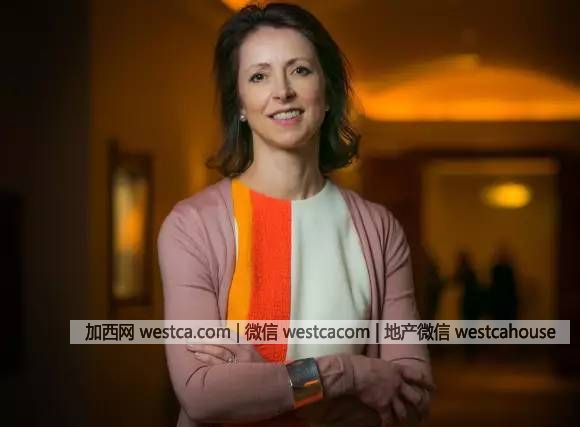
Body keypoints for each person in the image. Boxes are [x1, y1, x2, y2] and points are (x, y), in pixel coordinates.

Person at [158, 3, 434, 427]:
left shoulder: (379, 231)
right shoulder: (192, 226)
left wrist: (268, 384)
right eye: (259, 76)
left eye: (300, 70)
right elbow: (203, 395)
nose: (282, 91)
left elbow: (412, 394)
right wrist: (349, 374)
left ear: (327, 93)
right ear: (240, 105)